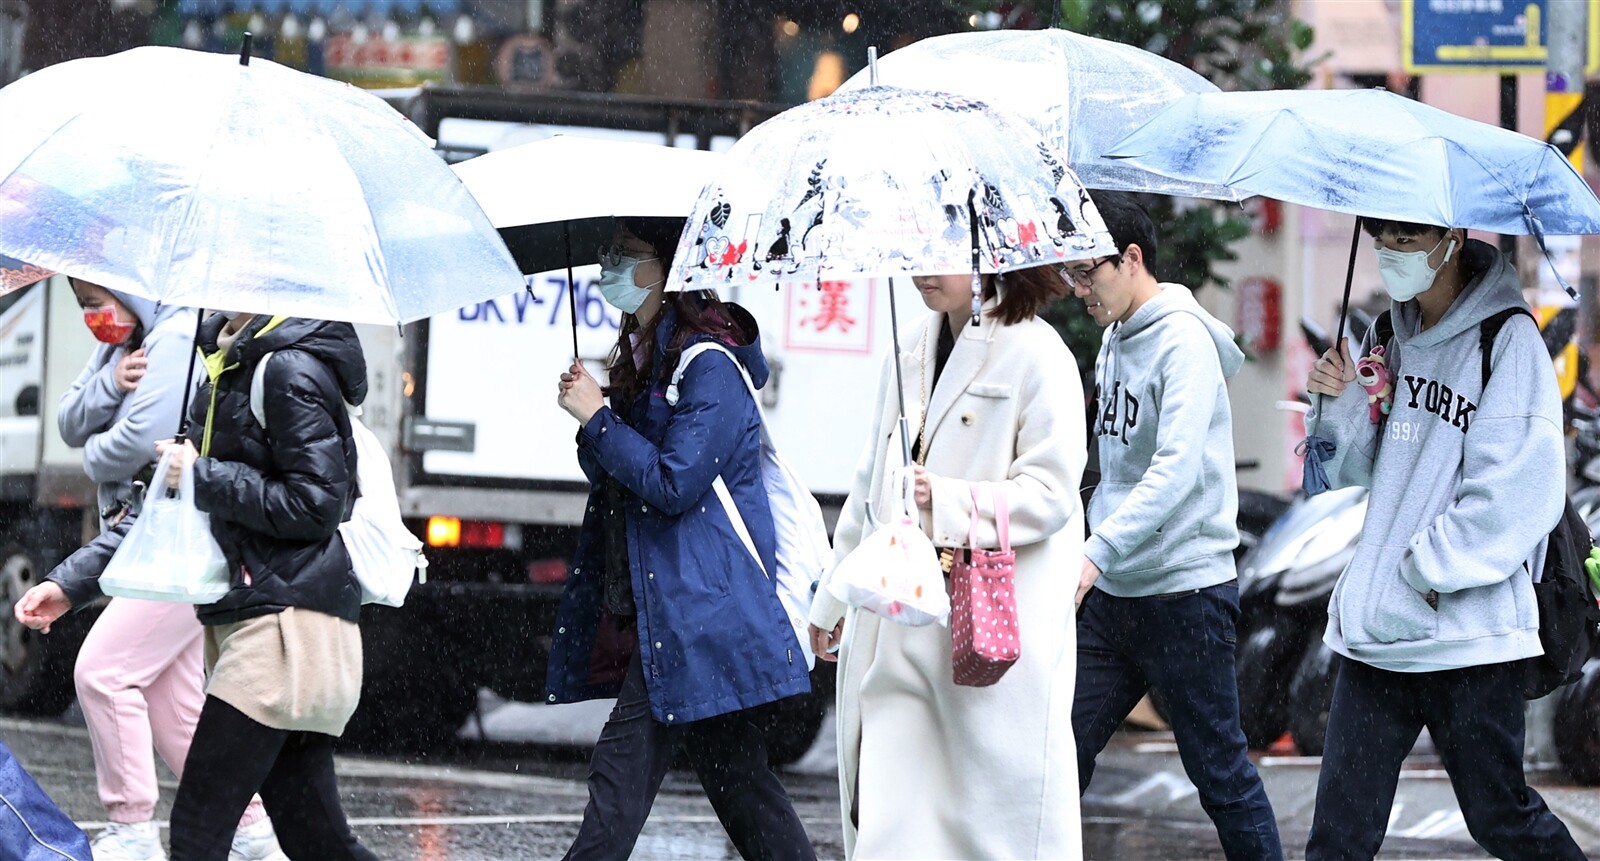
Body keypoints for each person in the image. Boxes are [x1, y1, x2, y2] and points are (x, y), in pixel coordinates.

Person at [1301, 218, 1585, 860]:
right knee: (1339, 836)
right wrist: (1332, 403)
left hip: (1468, 636)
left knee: (1502, 820)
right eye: (1382, 239)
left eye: (1407, 238)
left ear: (1450, 240)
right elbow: (1348, 470)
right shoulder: (1385, 335)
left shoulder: (1506, 338)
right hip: (1377, 638)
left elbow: (1519, 490)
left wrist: (1423, 573)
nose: (1391, 252)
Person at [549, 216, 817, 861]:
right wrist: (599, 417)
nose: (611, 264)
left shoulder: (708, 368)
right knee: (743, 788)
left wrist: (602, 420)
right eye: (608, 252)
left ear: (667, 271)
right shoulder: (646, 358)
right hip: (678, 602)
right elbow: (615, 480)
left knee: (620, 779)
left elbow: (674, 484)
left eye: (628, 254)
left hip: (701, 607)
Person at [806, 265, 1085, 859]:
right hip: (900, 619)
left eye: (943, 252)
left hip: (986, 629)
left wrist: (951, 499)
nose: (923, 270)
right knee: (894, 821)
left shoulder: (1039, 353)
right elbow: (869, 483)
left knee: (987, 826)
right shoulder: (910, 343)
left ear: (989, 254)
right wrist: (832, 597)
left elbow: (1055, 492)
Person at [16, 277, 281, 861]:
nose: (96, 316)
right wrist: (110, 384)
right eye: (83, 305)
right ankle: (252, 833)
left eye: (96, 300)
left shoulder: (179, 335)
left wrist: (93, 450)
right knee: (173, 701)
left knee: (104, 673)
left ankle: (134, 831)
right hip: (158, 538)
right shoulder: (135, 341)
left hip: (179, 541)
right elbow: (68, 416)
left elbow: (138, 440)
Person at [1065, 192, 1282, 860]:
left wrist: (1096, 550)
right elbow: (1113, 465)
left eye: (1088, 272)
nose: (1079, 290)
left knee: (1219, 773)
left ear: (1132, 259)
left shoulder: (1183, 341)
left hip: (1185, 592)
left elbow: (1175, 470)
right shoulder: (1113, 337)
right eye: (1069, 275)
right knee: (1055, 751)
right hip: (1113, 598)